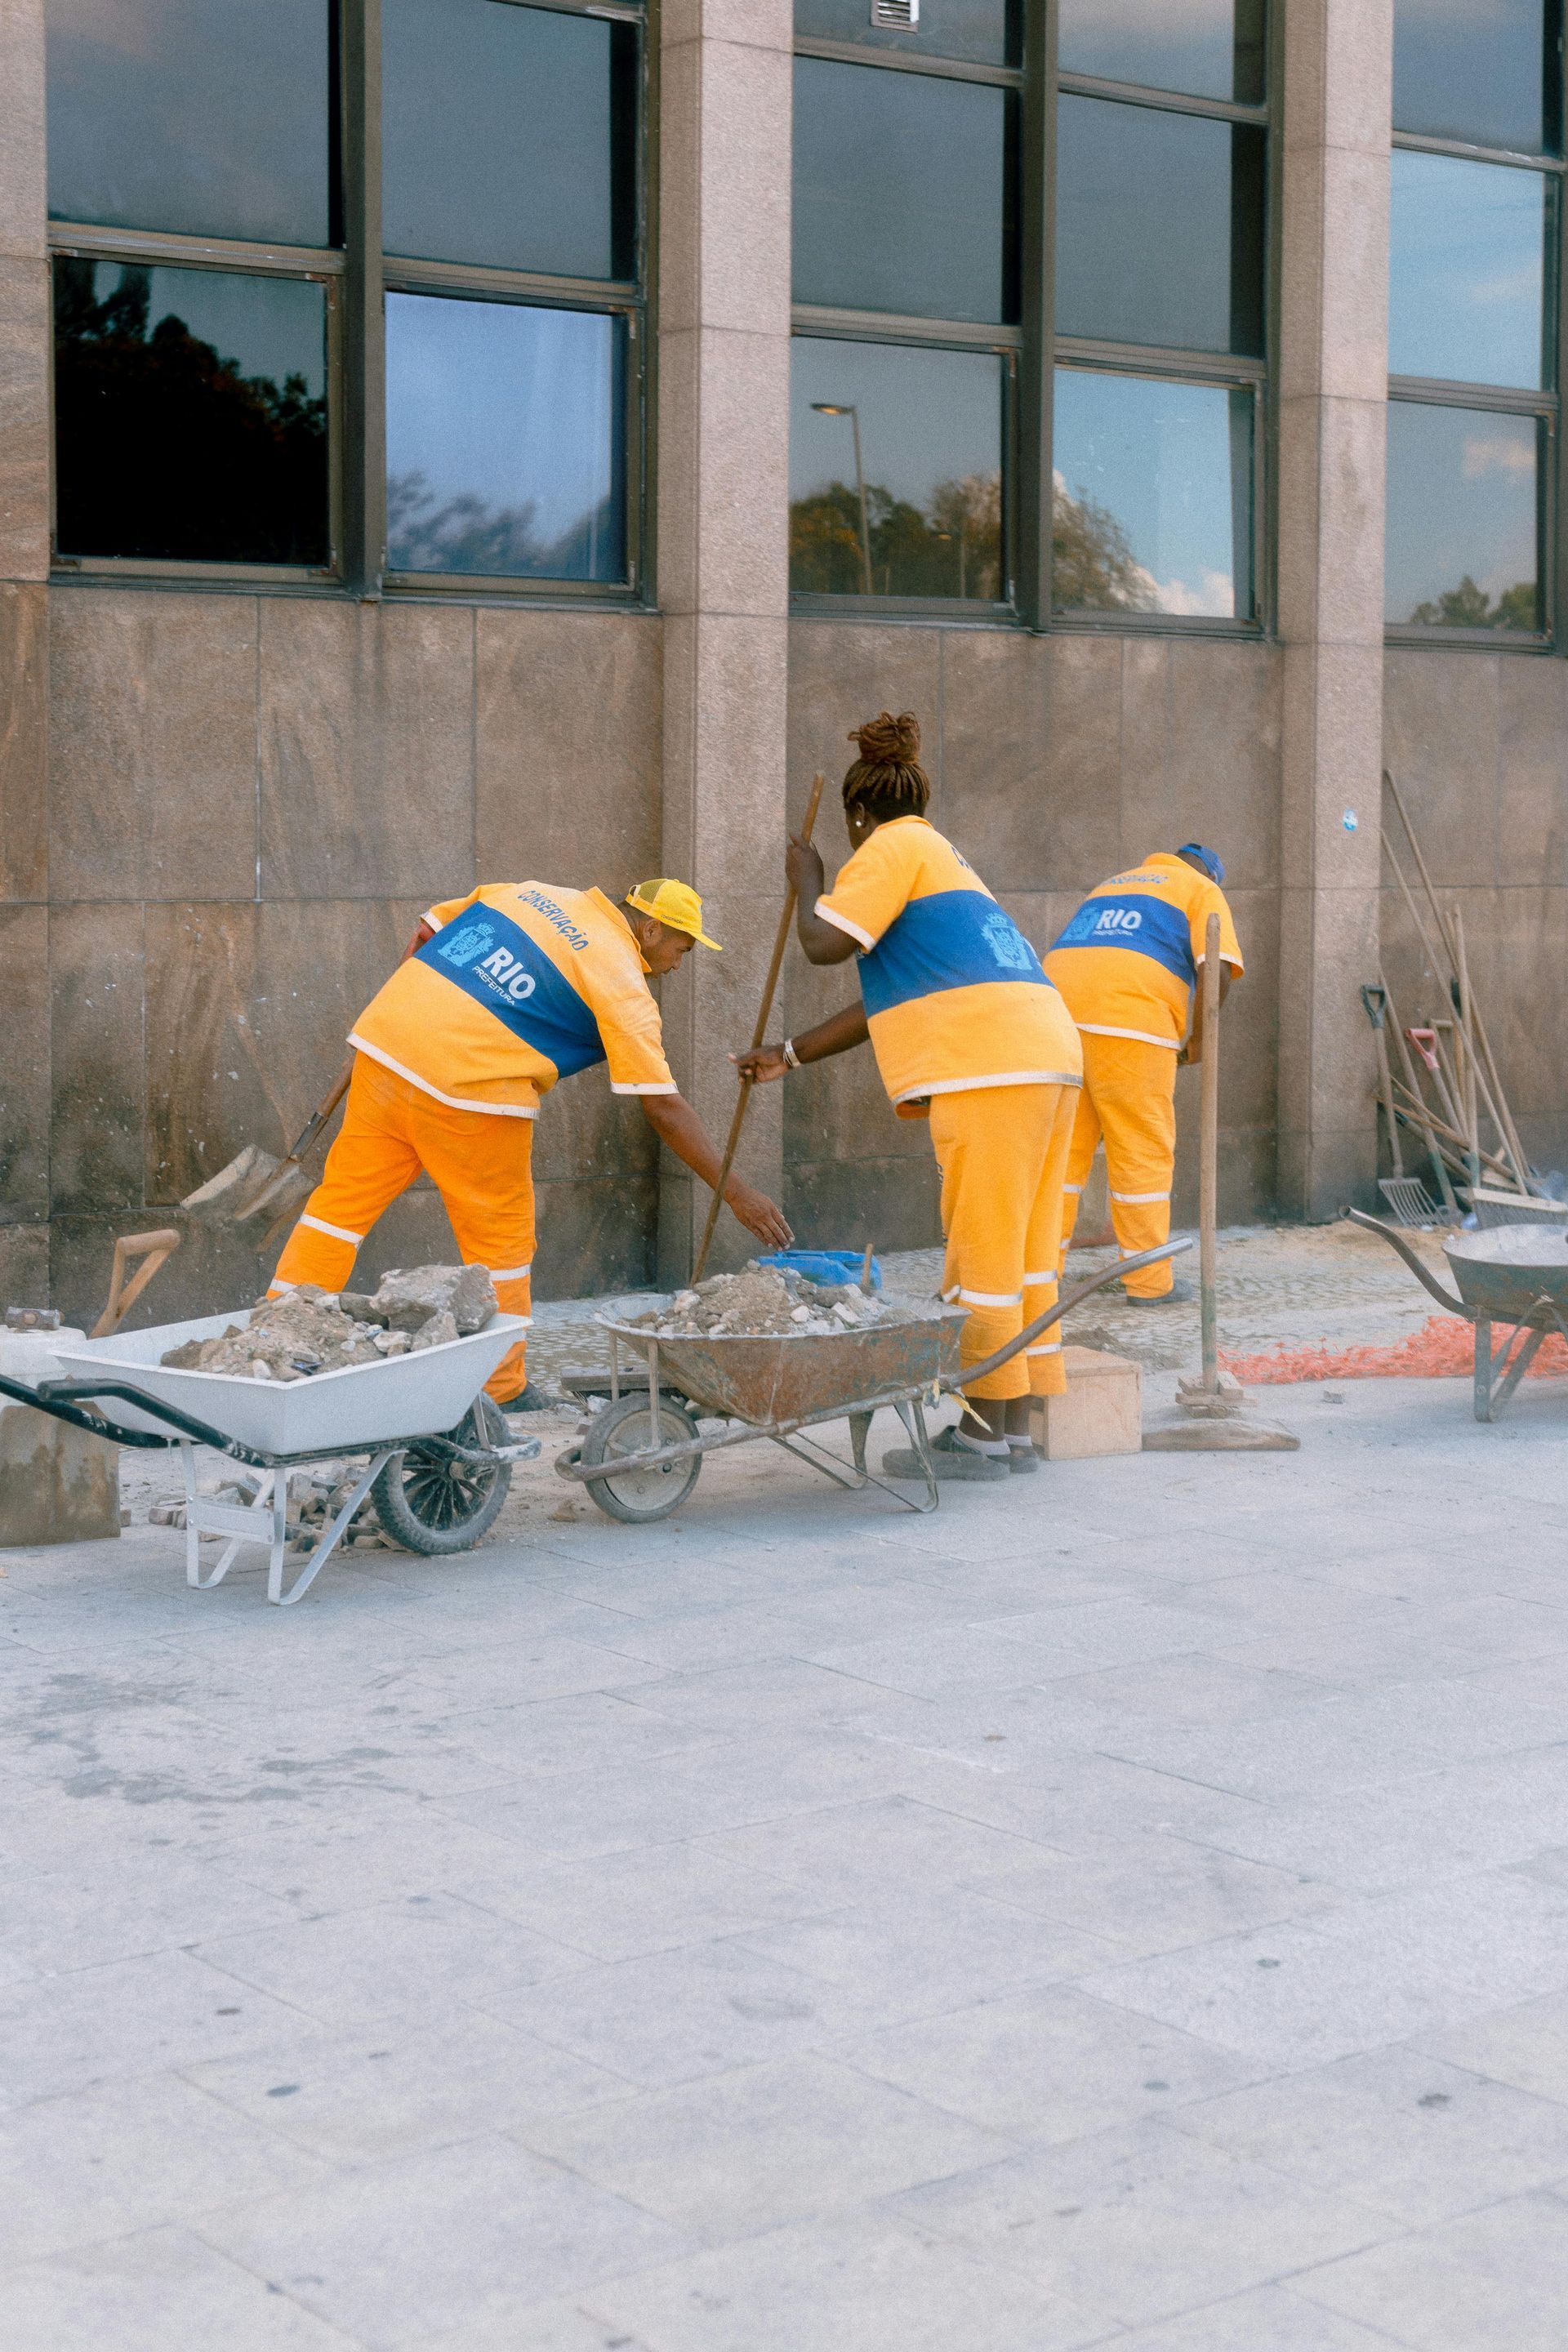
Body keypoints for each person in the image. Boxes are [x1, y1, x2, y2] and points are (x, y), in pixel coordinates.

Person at [269, 877, 791, 1410]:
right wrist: (735, 1192)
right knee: (502, 1244)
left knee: (339, 1209)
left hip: (383, 1050)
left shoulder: (532, 893)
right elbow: (662, 1107)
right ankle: (502, 1386)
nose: (679, 965)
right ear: (650, 928)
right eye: (681, 948)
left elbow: (430, 928)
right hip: (468, 1090)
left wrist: (413, 1014)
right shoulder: (621, 981)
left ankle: (273, 1338)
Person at [734, 713, 1081, 1483]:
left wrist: (809, 882)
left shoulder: (892, 847)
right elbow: (882, 1003)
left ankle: (986, 1436)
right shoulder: (940, 858)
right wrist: (788, 1055)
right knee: (1022, 1251)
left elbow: (826, 946)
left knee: (983, 1249)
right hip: (1043, 1053)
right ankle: (1016, 1425)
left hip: (989, 1065)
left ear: (859, 814)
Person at [1044, 844, 1243, 1305]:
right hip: (1131, 1023)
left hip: (1054, 1019)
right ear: (1211, 875)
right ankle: (1149, 1283)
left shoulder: (1114, 883)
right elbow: (1215, 968)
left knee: (1061, 1158)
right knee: (1141, 1152)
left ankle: (1038, 1276)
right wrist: (1199, 1038)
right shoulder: (1202, 890)